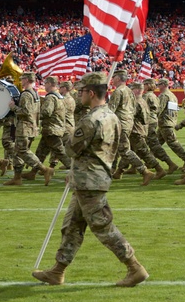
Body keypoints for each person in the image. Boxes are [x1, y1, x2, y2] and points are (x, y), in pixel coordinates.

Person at [32, 72, 149, 288]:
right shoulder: (112, 116)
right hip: (89, 177)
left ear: (92, 93)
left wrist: (70, 134)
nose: (80, 95)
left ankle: (135, 267)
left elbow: (71, 148)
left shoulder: (90, 120)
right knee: (72, 226)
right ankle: (57, 271)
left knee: (103, 226)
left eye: (83, 91)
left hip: (89, 181)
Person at [3, 72, 54, 186]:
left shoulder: (26, 94)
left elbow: (25, 112)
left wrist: (13, 107)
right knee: (18, 153)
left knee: (22, 151)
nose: (21, 81)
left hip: (24, 127)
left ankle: (44, 170)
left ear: (26, 80)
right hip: (32, 127)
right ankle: (17, 178)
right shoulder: (34, 93)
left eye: (22, 79)